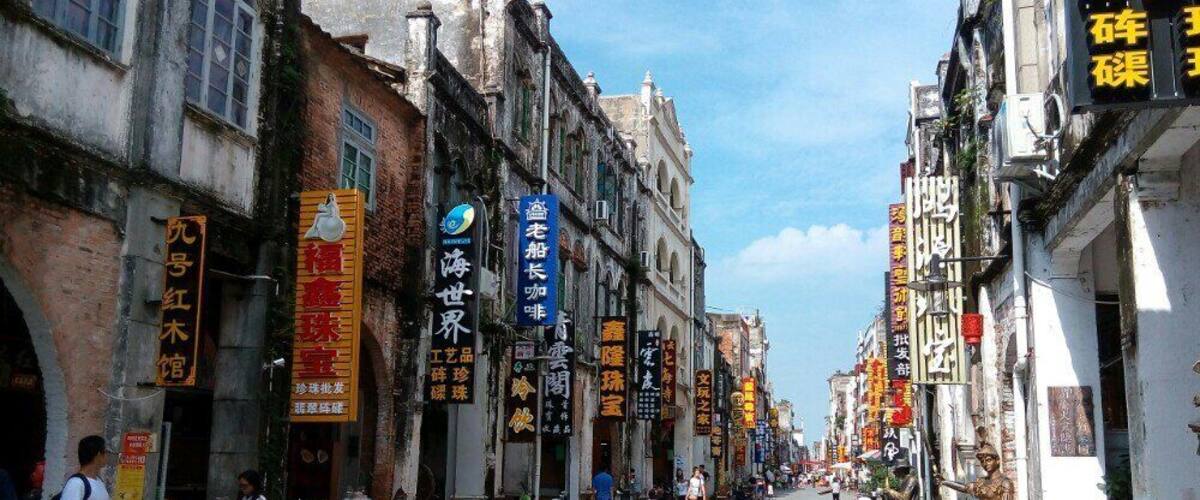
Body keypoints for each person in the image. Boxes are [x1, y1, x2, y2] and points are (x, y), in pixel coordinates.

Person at [936, 443, 1014, 500]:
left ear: (997, 461)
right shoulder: (982, 482)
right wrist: (944, 482)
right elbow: (965, 488)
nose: (985, 464)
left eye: (988, 460)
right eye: (982, 461)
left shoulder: (1005, 483)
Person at [58, 435, 109, 500]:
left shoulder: (99, 481)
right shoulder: (76, 483)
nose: (107, 456)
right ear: (98, 455)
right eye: (106, 452)